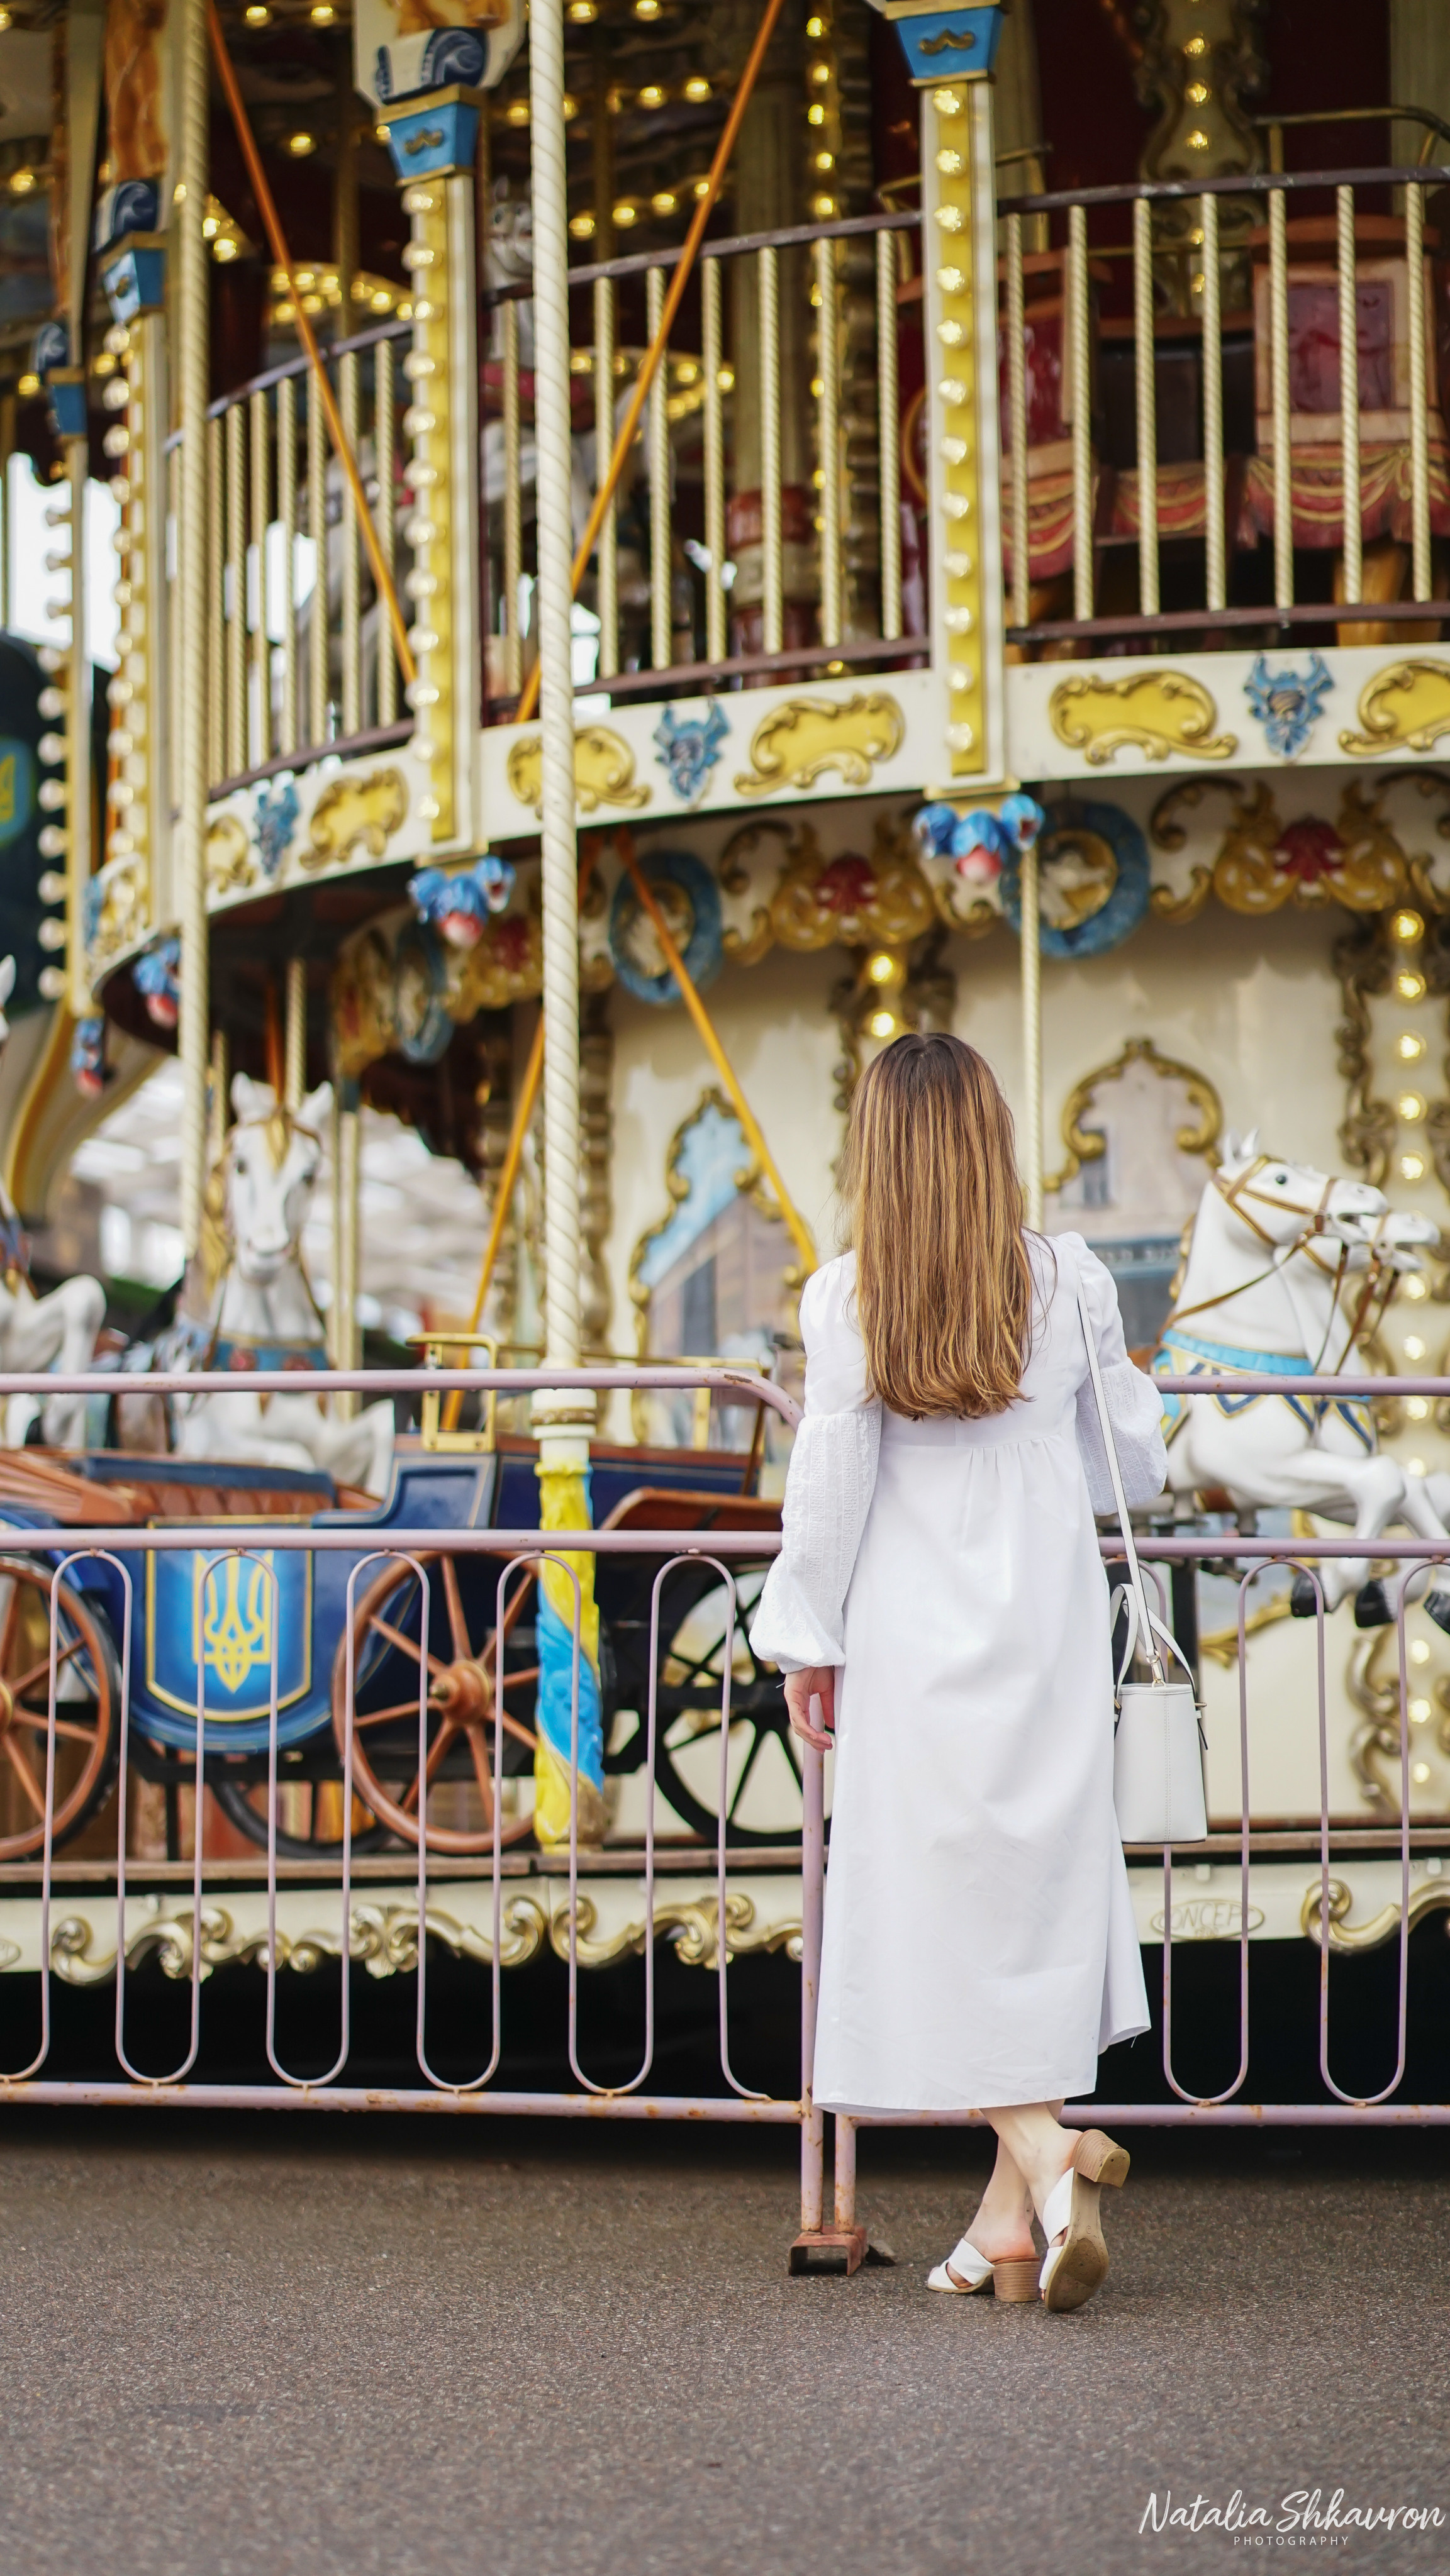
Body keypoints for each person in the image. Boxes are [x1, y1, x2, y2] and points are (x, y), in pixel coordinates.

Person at [749, 1033, 1167, 2311]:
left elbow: (826, 1492)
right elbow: (1132, 1464)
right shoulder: (1068, 1280)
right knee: (1024, 1907)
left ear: (875, 1153)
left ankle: (1042, 2158)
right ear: (991, 1140)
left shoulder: (849, 1296)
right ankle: (1005, 2223)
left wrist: (804, 1633)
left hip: (913, 1628)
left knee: (935, 1915)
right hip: (1042, 1619)